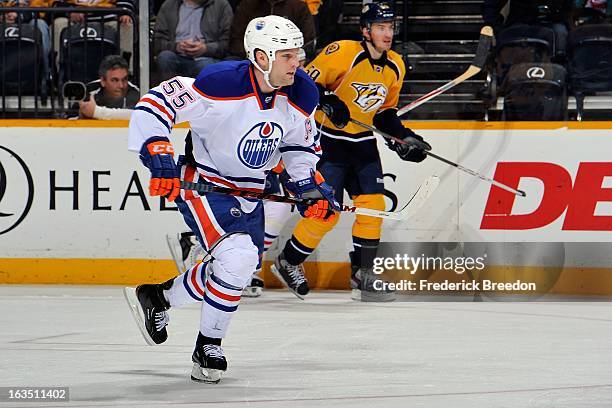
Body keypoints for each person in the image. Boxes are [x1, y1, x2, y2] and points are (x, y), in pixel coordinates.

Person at [123, 15, 339, 383]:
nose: (298, 63)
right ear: (261, 56)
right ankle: (208, 347)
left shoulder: (302, 92)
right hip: (206, 184)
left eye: (298, 54)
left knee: (234, 267)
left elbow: (299, 149)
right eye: (287, 56)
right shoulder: (218, 83)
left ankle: (160, 297)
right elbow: (155, 106)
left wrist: (308, 188)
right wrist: (158, 154)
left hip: (251, 192)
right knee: (239, 259)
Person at [271, 2, 431, 302]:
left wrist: (404, 138)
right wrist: (326, 99)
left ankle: (363, 274)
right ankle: (289, 261)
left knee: (373, 207)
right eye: (381, 27)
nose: (388, 33)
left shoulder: (396, 64)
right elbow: (303, 82)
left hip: (362, 143)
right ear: (365, 30)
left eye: (391, 27)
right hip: (327, 141)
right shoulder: (343, 51)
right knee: (325, 213)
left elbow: (385, 114)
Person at [165, 47, 308, 298]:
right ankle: (198, 250)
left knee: (266, 216)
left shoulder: (297, 91)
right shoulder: (240, 93)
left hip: (262, 167)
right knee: (259, 214)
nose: (297, 66)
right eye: (290, 58)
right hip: (237, 169)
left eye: (300, 61)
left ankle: (203, 249)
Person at [153, 0, 233, 80]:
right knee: (165, 58)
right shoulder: (169, 5)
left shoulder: (221, 5)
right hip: (177, 55)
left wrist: (206, 48)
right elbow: (158, 41)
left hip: (208, 57)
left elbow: (229, 42)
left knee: (205, 66)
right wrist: (177, 47)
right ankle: (171, 91)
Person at [52, 0, 136, 67]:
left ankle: (126, 72)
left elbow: (126, 2)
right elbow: (56, 4)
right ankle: (59, 72)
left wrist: (125, 12)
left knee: (126, 24)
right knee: (59, 23)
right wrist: (70, 11)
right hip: (75, 17)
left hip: (108, 17)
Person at [227, 0, 315, 58]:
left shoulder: (299, 6)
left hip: (287, 59)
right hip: (249, 58)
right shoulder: (247, 5)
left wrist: (286, 57)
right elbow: (235, 40)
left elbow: (308, 42)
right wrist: (254, 56)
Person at [78, 54, 139, 119]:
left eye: (124, 79)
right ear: (103, 81)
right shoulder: (88, 91)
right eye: (115, 80)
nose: (121, 85)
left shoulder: (136, 93)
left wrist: (96, 112)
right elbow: (69, 118)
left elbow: (138, 115)